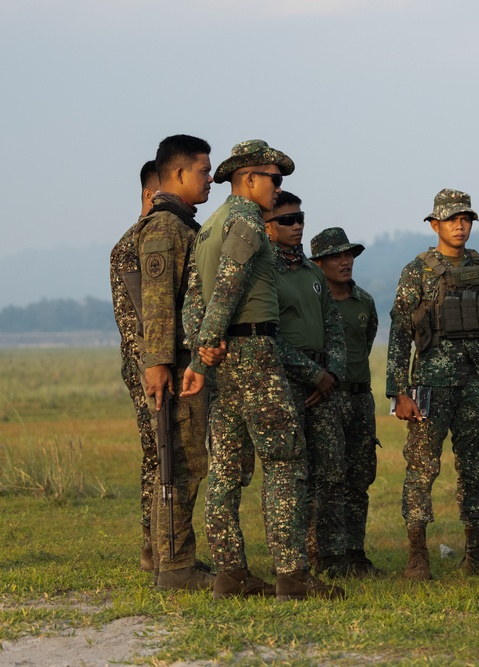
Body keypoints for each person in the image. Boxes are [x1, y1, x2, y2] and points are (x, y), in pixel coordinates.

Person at [182, 139, 341, 601]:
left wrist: (204, 348)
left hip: (227, 359)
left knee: (227, 470)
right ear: (248, 178)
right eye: (274, 179)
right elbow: (229, 287)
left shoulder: (208, 226)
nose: (278, 188)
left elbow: (194, 301)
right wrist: (205, 348)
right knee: (284, 462)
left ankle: (231, 575)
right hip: (254, 353)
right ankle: (292, 577)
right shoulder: (246, 219)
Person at [387, 188, 479, 580]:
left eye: (467, 219)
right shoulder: (418, 271)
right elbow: (399, 332)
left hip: (478, 382)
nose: (461, 225)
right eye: (453, 219)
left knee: (478, 469)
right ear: (435, 224)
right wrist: (398, 390)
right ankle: (417, 555)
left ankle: (476, 551)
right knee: (422, 469)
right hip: (431, 385)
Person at [134, 135, 215, 591]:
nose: (208, 179)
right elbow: (159, 301)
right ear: (180, 173)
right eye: (203, 171)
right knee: (177, 461)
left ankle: (179, 558)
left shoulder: (182, 225)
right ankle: (175, 566)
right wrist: (160, 361)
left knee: (187, 460)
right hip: (175, 363)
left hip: (184, 360)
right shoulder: (165, 227)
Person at [264, 191, 348, 578]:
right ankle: (293, 558)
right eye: (287, 219)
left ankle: (330, 555)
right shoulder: (264, 271)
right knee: (292, 474)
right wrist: (312, 374)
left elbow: (333, 323)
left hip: (324, 382)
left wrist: (331, 371)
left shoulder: (313, 273)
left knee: (331, 471)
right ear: (268, 226)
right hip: (288, 382)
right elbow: (265, 336)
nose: (296, 225)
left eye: (300, 217)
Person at [310, 226, 382, 577]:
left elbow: (365, 343)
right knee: (329, 478)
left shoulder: (364, 301)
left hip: (360, 398)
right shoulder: (313, 302)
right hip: (327, 399)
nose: (345, 261)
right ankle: (329, 556)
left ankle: (356, 553)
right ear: (319, 262)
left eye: (349, 254)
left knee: (360, 476)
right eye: (337, 256)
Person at [109, 159, 159, 574]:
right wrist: (154, 368)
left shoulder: (173, 238)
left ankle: (169, 543)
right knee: (157, 454)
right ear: (149, 194)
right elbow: (134, 326)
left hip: (172, 364)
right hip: (148, 369)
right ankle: (153, 546)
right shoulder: (130, 248)